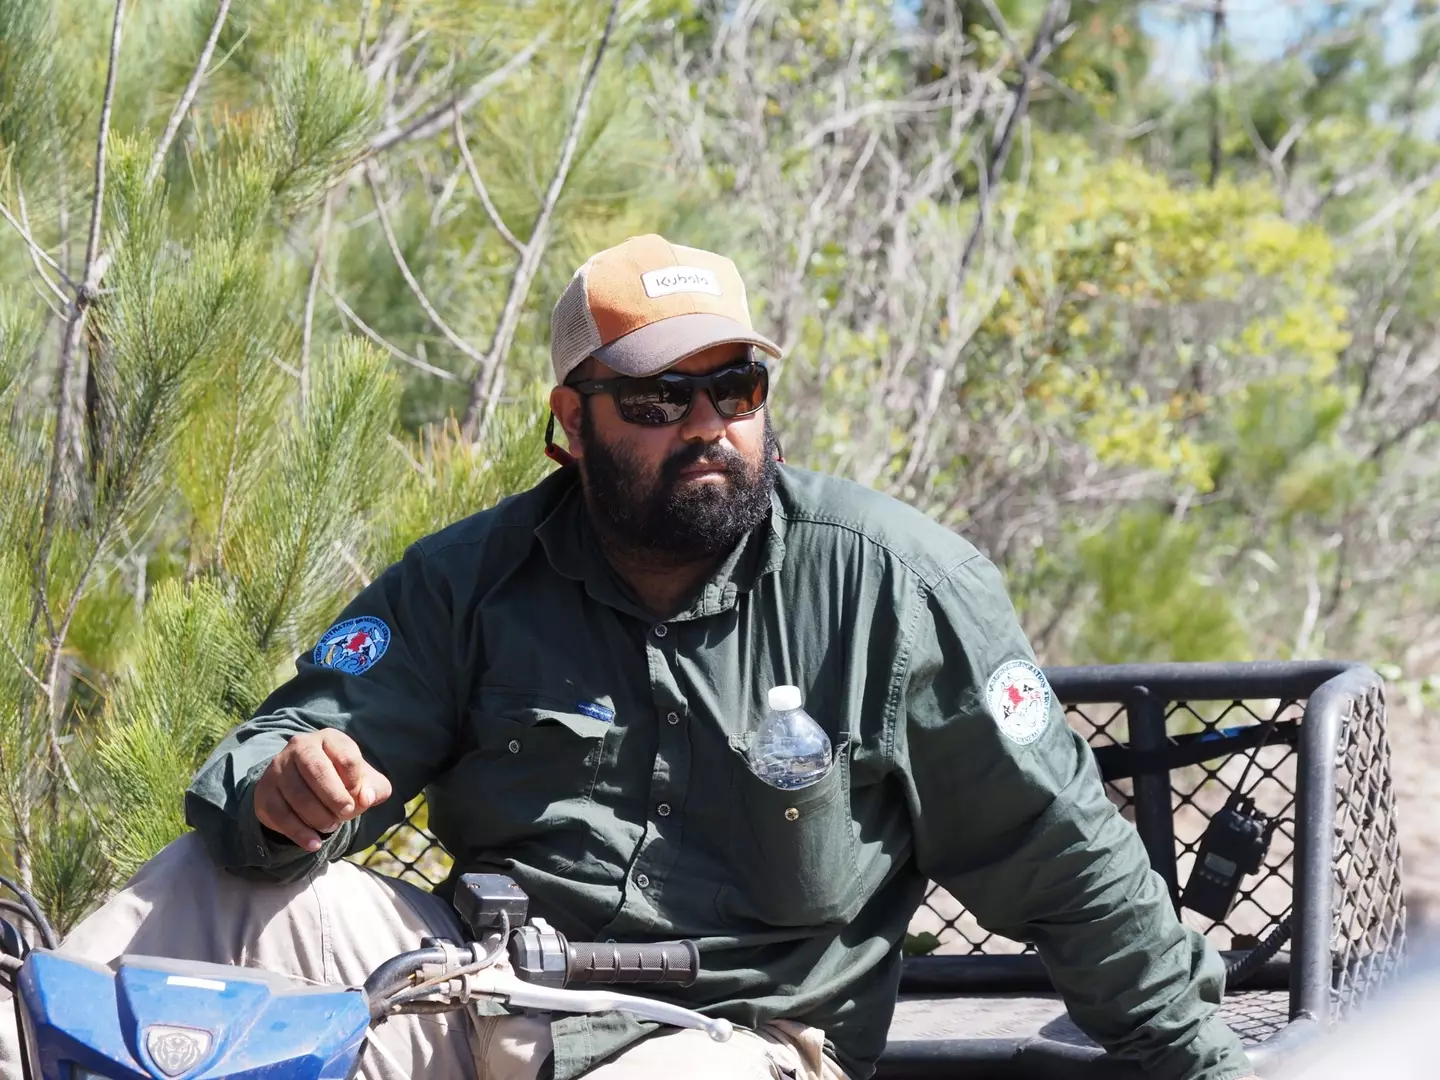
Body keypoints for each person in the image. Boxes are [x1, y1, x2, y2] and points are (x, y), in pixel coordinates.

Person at [5, 235, 1259, 1080]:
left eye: (735, 387)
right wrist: (283, 795)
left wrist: (1203, 1065)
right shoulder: (467, 579)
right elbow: (279, 751)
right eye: (659, 399)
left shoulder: (893, 584)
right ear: (573, 421)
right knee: (204, 891)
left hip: (732, 1045)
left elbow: (1064, 857)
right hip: (483, 996)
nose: (707, 425)